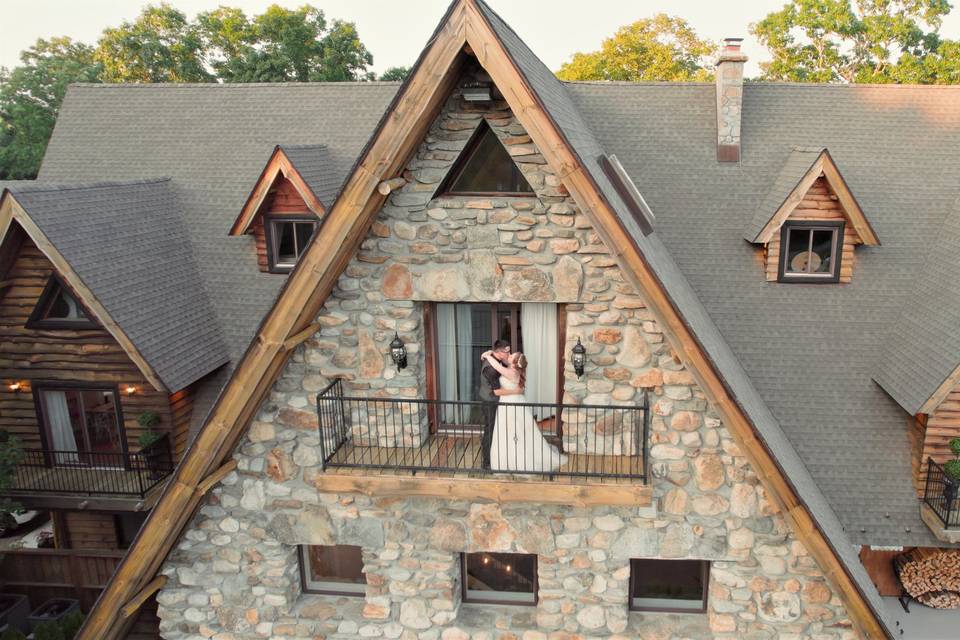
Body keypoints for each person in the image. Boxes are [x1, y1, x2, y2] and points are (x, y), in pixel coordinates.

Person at [481, 350, 567, 473]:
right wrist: (491, 353)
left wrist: (487, 356)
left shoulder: (511, 372)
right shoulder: (515, 369)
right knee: (516, 432)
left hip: (510, 403)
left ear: (515, 363)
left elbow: (496, 366)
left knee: (512, 432)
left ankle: (514, 460)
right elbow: (503, 361)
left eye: (511, 356)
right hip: (515, 400)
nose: (508, 355)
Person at [478, 340, 516, 469]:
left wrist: (488, 353)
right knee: (490, 430)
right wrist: (515, 391)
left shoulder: (496, 357)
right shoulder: (490, 369)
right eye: (507, 352)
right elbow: (496, 391)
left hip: (496, 400)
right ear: (499, 353)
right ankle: (487, 462)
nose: (509, 354)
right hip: (489, 401)